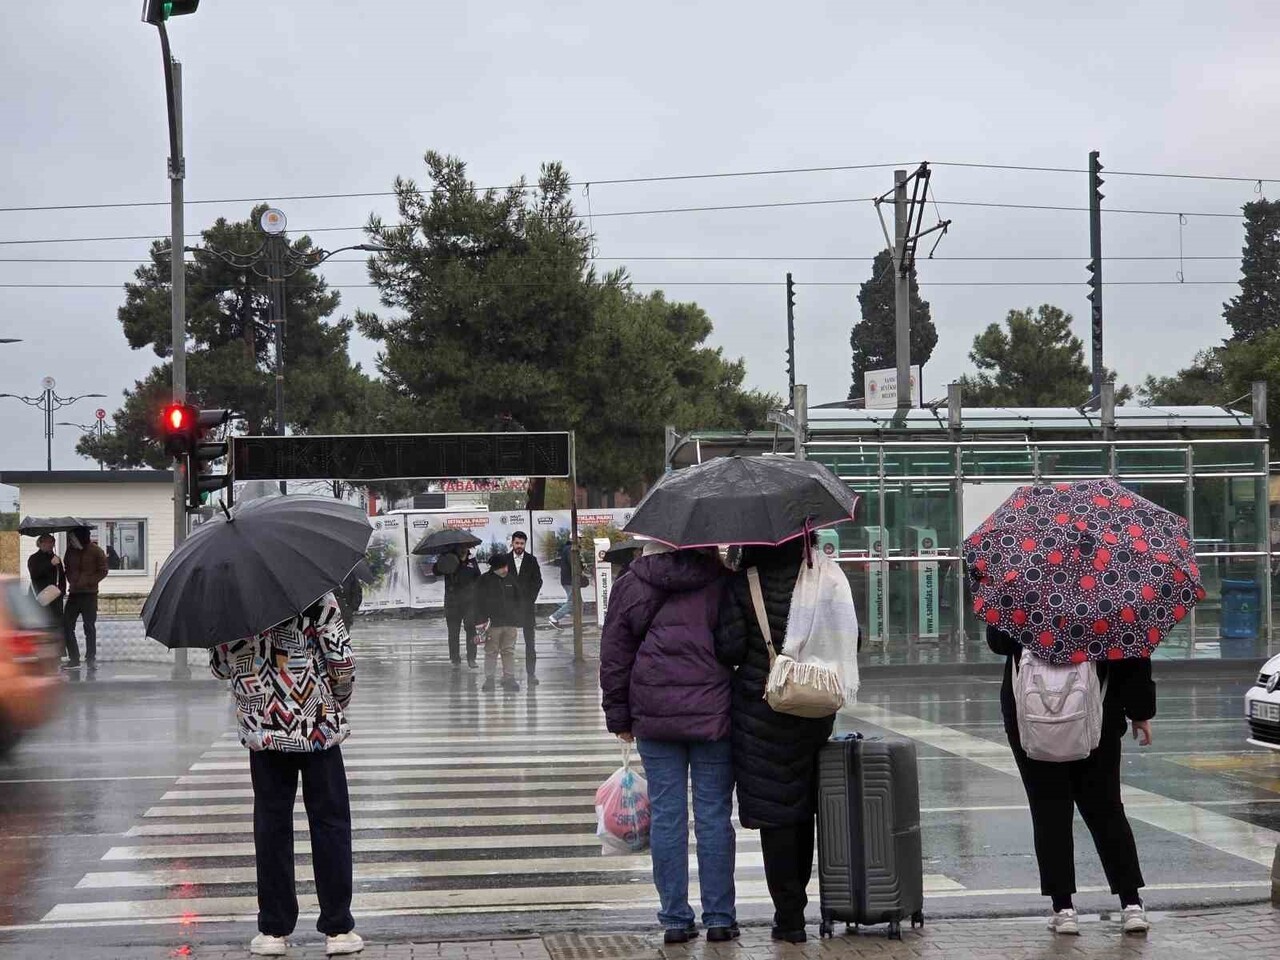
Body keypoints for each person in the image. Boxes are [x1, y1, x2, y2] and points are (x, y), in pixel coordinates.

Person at [210, 593, 364, 957]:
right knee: (330, 824)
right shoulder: (314, 595)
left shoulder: (228, 602)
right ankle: (338, 928)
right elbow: (341, 661)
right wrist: (335, 698)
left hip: (264, 731)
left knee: (271, 827)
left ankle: (274, 931)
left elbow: (220, 666)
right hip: (316, 728)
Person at [600, 543, 737, 945]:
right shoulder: (722, 582)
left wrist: (619, 717)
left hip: (654, 715)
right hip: (713, 714)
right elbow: (734, 647)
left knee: (666, 817)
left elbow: (614, 656)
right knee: (713, 815)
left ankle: (676, 919)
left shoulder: (631, 585)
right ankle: (719, 918)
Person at [987, 625, 1155, 936]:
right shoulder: (1108, 588)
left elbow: (998, 643)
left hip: (1032, 717)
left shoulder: (1024, 586)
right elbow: (1132, 649)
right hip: (1098, 713)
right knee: (1106, 809)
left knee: (1049, 810)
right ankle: (1131, 903)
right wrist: (1140, 711)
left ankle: (1063, 908)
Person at [714, 536, 833, 944]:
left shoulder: (743, 582)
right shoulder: (823, 578)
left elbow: (727, 647)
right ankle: (798, 907)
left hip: (759, 712)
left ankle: (789, 917)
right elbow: (849, 639)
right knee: (803, 807)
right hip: (813, 710)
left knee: (775, 814)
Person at [474, 553, 522, 692]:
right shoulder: (483, 581)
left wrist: (517, 615)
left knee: (508, 651)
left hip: (510, 623)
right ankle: (489, 679)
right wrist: (480, 622)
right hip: (491, 624)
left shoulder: (511, 579)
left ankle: (509, 678)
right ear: (494, 568)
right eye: (502, 567)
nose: (505, 570)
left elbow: (519, 598)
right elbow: (477, 602)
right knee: (491, 652)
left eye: (506, 566)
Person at [63, 527, 108, 667]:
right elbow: (67, 567)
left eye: (73, 538)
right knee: (66, 625)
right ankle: (74, 658)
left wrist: (89, 582)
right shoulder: (70, 551)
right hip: (74, 594)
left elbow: (103, 571)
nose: (71, 541)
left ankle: (90, 658)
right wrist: (71, 580)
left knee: (89, 627)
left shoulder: (96, 551)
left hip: (90, 594)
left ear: (81, 537)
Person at [436, 547, 481, 668]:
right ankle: (455, 659)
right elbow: (436, 571)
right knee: (453, 632)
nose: (464, 550)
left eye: (466, 548)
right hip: (452, 603)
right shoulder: (449, 559)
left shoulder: (472, 561)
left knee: (471, 630)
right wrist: (442, 560)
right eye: (461, 548)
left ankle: (471, 658)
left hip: (469, 602)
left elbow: (478, 577)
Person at [509, 532, 543, 685]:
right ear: (512, 543)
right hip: (509, 608)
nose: (519, 546)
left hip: (527, 607)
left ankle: (531, 674)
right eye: (517, 543)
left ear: (525, 544)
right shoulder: (505, 560)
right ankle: (508, 675)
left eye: (522, 544)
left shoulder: (531, 560)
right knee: (508, 644)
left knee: (530, 643)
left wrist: (530, 598)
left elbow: (538, 581)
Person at [27, 534, 66, 639]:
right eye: (47, 542)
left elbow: (62, 577)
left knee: (57, 626)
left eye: (52, 542)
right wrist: (50, 564)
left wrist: (62, 592)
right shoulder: (34, 558)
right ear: (40, 544)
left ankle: (58, 651)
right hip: (39, 597)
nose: (50, 545)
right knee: (42, 625)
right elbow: (34, 574)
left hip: (55, 598)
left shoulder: (56, 559)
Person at [548, 538, 578, 629]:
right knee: (573, 601)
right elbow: (573, 563)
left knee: (578, 602)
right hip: (569, 580)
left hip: (568, 579)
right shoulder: (570, 549)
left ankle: (578, 622)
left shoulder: (567, 548)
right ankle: (554, 617)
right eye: (580, 538)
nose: (581, 540)